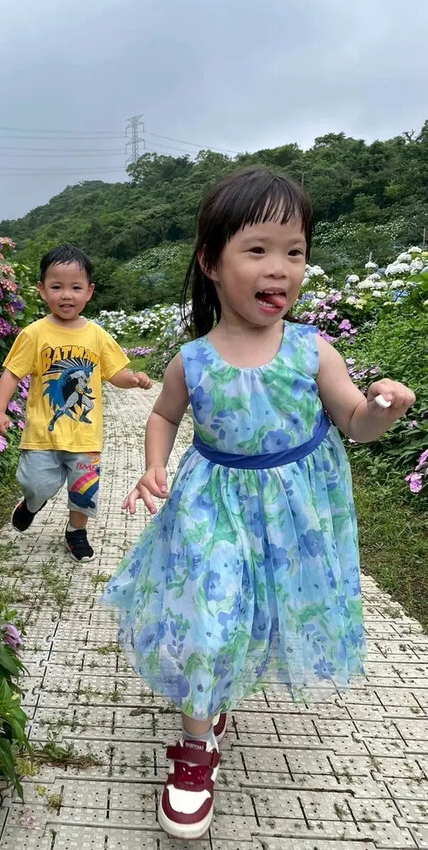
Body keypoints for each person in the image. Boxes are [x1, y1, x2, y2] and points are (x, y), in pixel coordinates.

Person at [101, 168, 415, 840]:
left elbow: (353, 422)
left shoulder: (311, 350)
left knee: (257, 619)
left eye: (294, 251)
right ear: (210, 262)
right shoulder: (192, 359)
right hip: (211, 505)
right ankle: (195, 746)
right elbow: (161, 416)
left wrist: (385, 409)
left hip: (292, 519)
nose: (280, 269)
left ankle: (213, 700)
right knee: (209, 617)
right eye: (258, 249)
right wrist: (153, 466)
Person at [0, 244, 152, 562]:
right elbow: (12, 373)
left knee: (84, 491)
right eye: (57, 287)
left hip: (85, 437)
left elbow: (114, 373)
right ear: (42, 290)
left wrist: (132, 379)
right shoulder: (34, 334)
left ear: (89, 292)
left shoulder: (97, 336)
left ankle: (76, 532)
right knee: (36, 483)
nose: (67, 295)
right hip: (41, 436)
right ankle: (31, 504)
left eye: (75, 288)